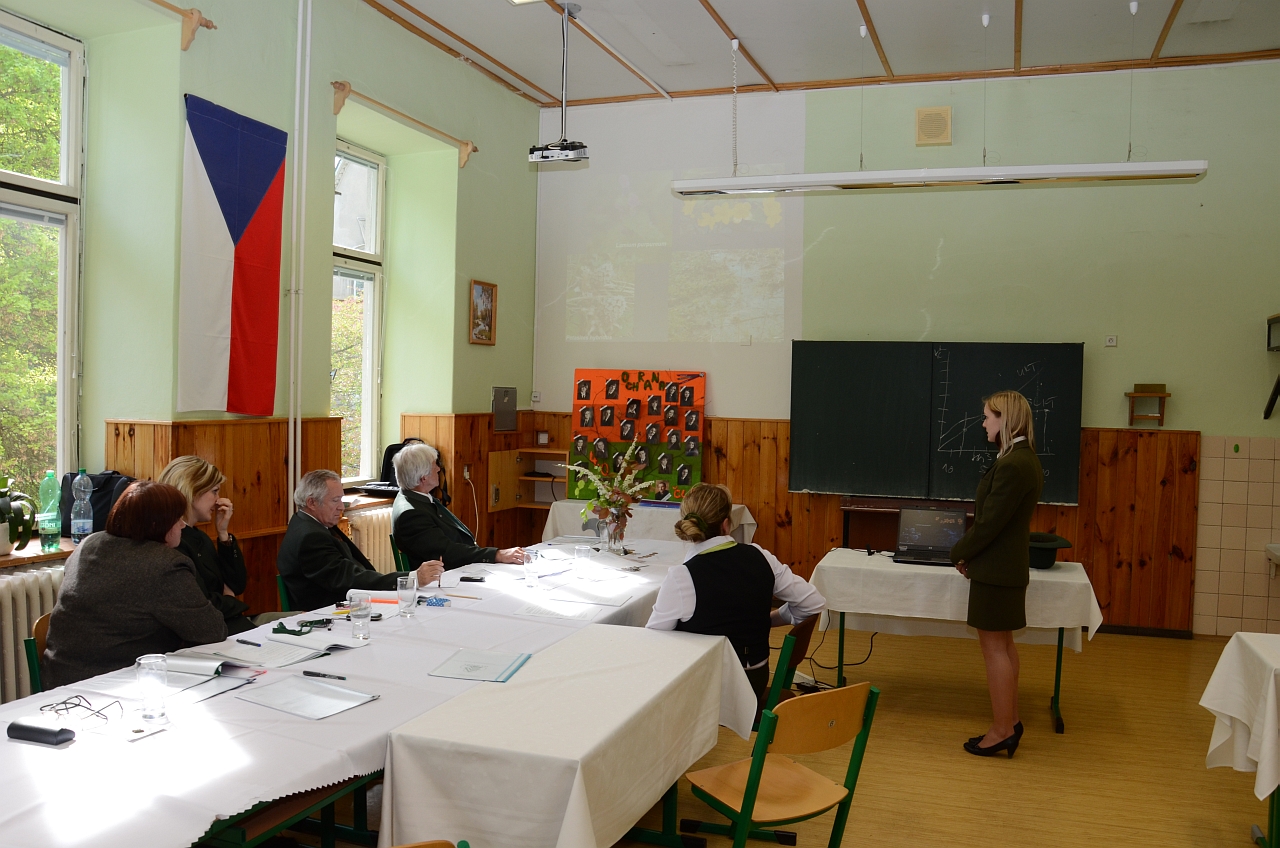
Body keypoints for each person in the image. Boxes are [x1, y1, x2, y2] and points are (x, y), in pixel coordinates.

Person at [646, 483, 825, 705]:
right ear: (726, 524)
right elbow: (813, 602)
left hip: (708, 689)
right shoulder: (760, 555)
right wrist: (768, 620)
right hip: (755, 681)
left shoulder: (681, 576)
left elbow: (655, 641)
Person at [43, 481, 228, 688]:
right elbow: (212, 631)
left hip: (58, 679)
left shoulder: (88, 544)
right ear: (158, 524)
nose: (182, 525)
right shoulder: (165, 564)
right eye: (177, 519)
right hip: (114, 684)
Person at [950, 390, 1044, 759]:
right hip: (1003, 568)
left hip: (997, 571)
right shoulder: (1021, 459)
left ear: (1006, 419)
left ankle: (1002, 729)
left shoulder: (1013, 465)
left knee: (995, 650)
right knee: (1003, 646)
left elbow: (990, 524)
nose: (984, 423)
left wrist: (958, 552)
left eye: (988, 416)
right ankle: (1011, 721)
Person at [278, 469, 444, 610]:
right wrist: (411, 578)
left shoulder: (306, 522)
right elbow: (350, 579)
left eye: (341, 499)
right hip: (331, 613)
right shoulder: (310, 537)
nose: (341, 507)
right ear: (312, 502)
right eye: (335, 500)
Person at [157, 455, 254, 635]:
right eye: (214, 491)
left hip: (227, 623)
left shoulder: (199, 536)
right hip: (210, 632)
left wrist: (223, 534)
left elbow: (237, 585)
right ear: (193, 491)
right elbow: (203, 602)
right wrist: (231, 600)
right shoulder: (173, 541)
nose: (218, 500)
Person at [391, 443, 524, 570]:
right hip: (446, 577)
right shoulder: (411, 514)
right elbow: (447, 552)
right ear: (423, 478)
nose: (438, 469)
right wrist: (497, 555)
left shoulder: (416, 497)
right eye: (434, 465)